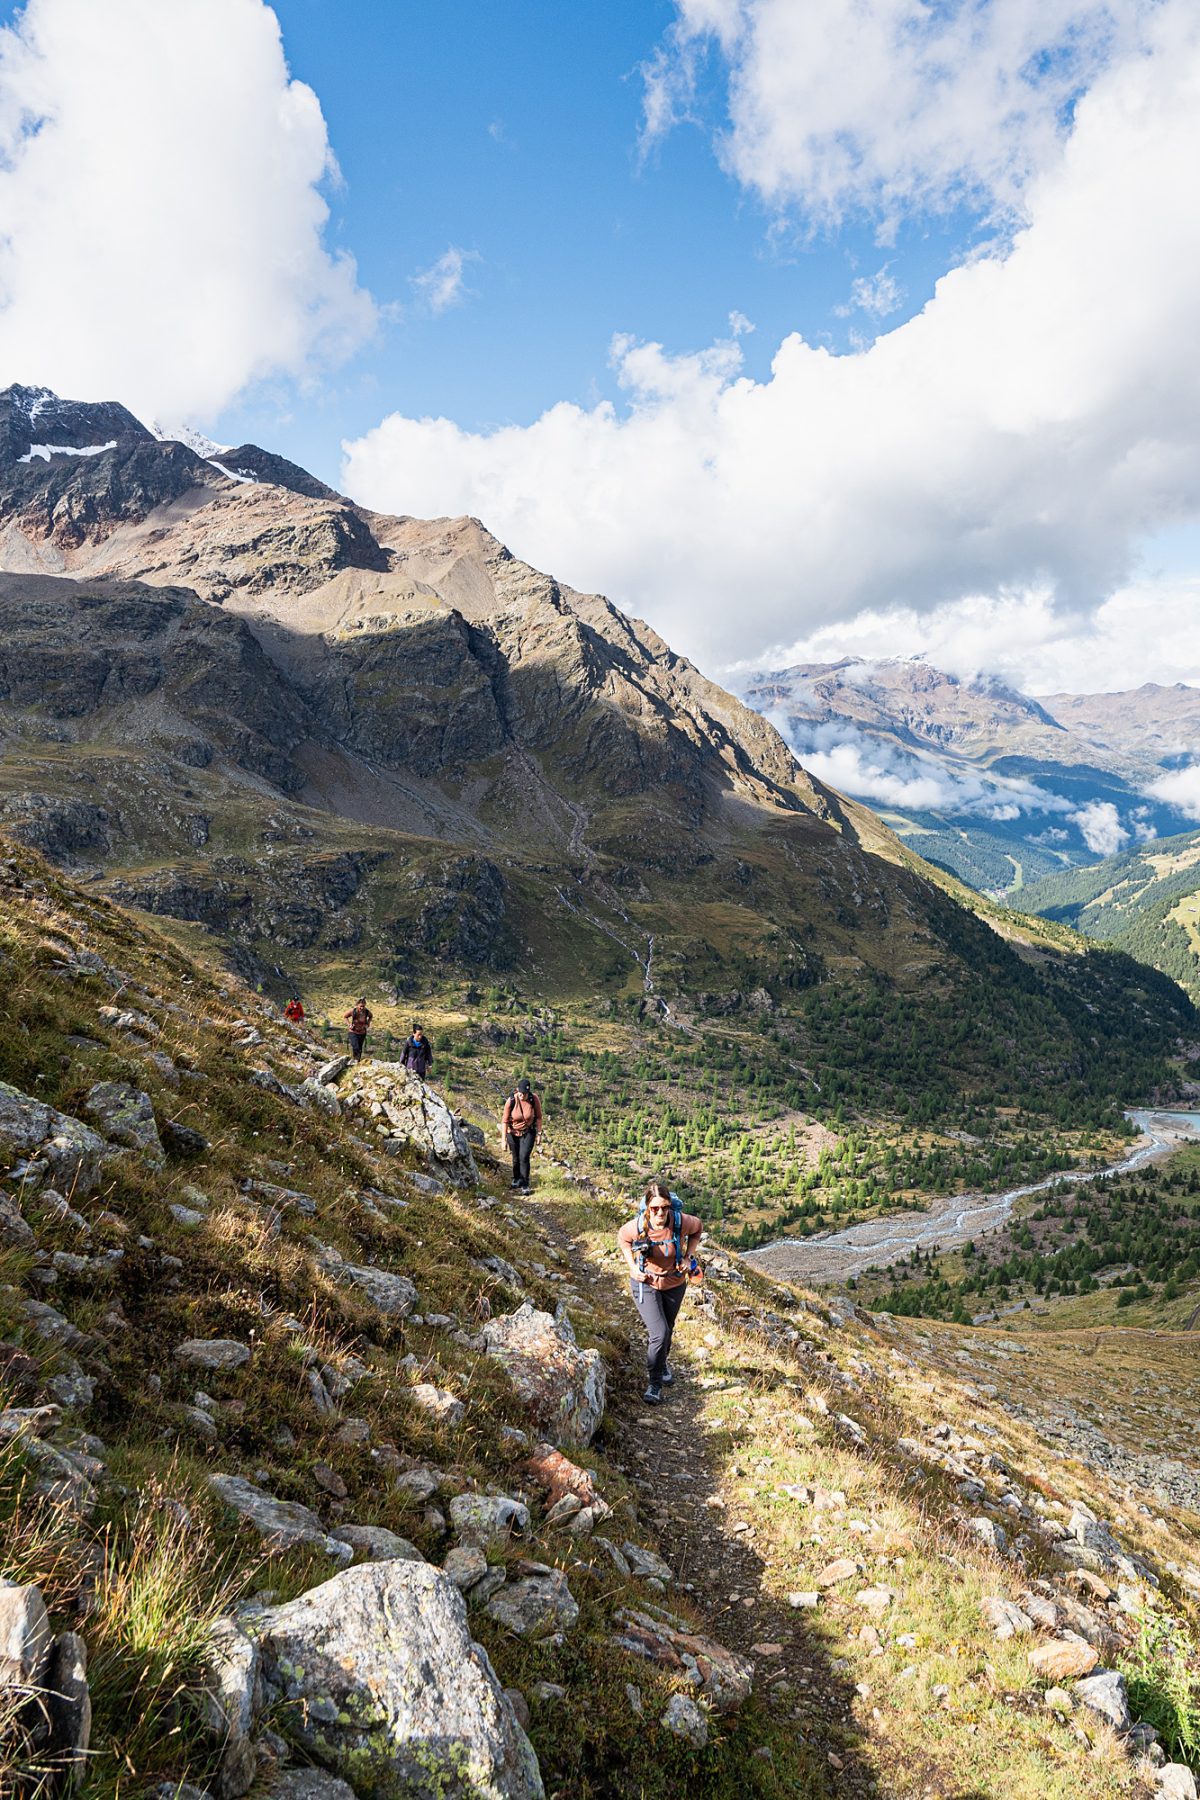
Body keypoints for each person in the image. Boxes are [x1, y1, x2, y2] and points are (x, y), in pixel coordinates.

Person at [618, 1179, 703, 1404]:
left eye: (664, 1208)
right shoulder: (639, 1226)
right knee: (659, 1333)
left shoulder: (680, 1221)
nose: (660, 1213)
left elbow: (698, 1229)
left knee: (668, 1327)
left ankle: (662, 1362)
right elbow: (623, 1238)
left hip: (674, 1283)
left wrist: (688, 1257)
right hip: (646, 1283)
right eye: (655, 1208)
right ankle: (654, 1384)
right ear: (647, 1208)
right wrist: (632, 1267)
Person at [501, 1077, 542, 1192]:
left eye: (525, 1093)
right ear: (517, 1090)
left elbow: (539, 1117)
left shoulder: (533, 1099)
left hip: (528, 1132)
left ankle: (525, 1183)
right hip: (512, 1132)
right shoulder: (511, 1100)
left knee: (524, 1156)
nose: (522, 1095)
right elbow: (505, 1121)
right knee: (516, 1157)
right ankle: (516, 1178)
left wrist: (539, 1134)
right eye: (521, 1093)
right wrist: (503, 1140)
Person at [344, 997, 373, 1062]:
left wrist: (368, 1023)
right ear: (357, 1005)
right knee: (355, 1047)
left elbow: (371, 1016)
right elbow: (345, 1017)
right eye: (360, 1006)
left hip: (362, 1032)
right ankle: (355, 1060)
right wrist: (349, 1025)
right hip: (353, 1032)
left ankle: (357, 1061)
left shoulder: (366, 1012)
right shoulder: (353, 1011)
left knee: (359, 1048)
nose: (362, 1008)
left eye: (363, 1006)